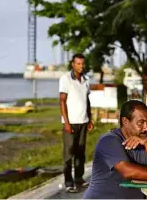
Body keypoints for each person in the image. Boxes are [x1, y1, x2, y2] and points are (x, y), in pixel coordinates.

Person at [59, 53, 94, 193]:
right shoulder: (65, 79)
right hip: (71, 123)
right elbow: (62, 101)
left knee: (81, 152)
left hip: (83, 121)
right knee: (69, 153)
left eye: (83, 63)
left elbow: (87, 101)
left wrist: (90, 118)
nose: (81, 66)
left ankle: (79, 178)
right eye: (78, 63)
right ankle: (68, 181)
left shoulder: (86, 80)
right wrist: (66, 123)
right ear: (73, 64)